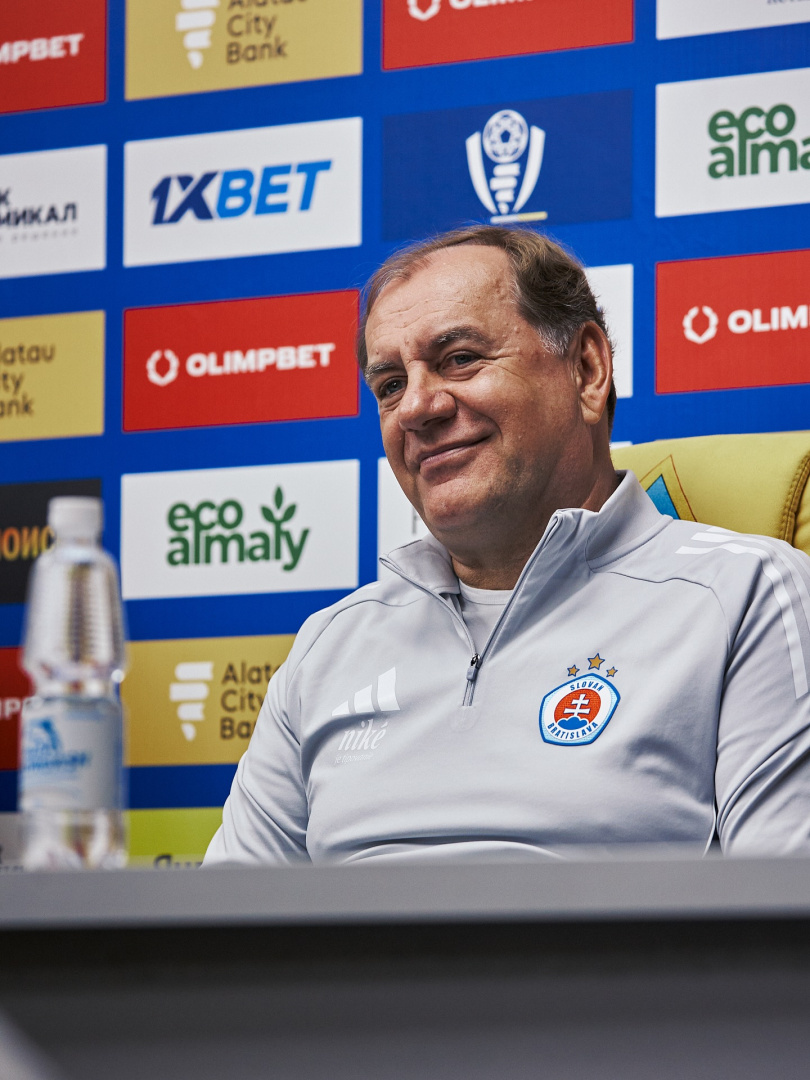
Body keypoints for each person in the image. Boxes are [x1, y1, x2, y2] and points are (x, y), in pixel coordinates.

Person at [204, 225, 810, 865]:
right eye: (389, 386)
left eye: (459, 358)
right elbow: (225, 921)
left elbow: (781, 912)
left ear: (587, 370)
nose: (416, 408)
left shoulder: (747, 596)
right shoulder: (328, 646)